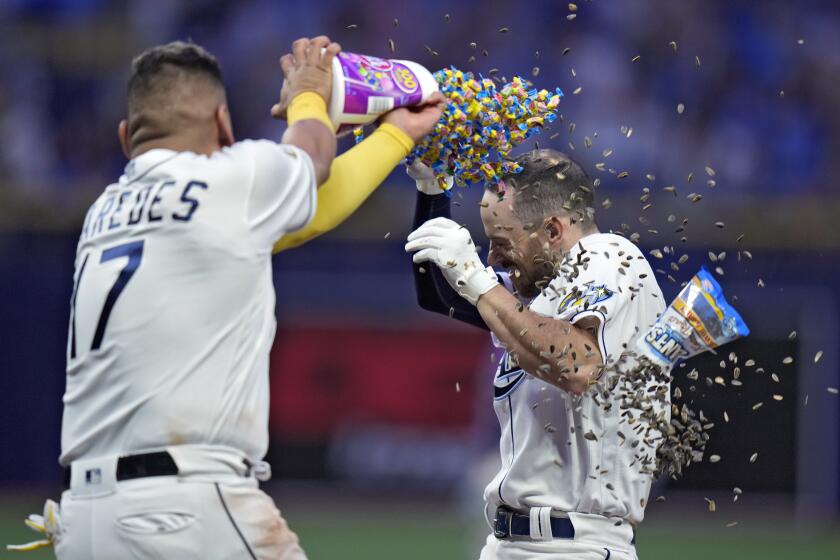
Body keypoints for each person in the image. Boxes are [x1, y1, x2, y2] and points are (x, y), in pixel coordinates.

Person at [39, 37, 444, 560]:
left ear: (126, 137)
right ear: (223, 124)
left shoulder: (103, 213)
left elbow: (301, 212)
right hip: (186, 507)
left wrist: (396, 136)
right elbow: (312, 159)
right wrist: (308, 95)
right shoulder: (231, 177)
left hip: (86, 518)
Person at [405, 150, 667, 560]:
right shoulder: (548, 292)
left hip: (575, 546)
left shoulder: (609, 257)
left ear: (552, 229)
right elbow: (439, 294)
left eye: (501, 242)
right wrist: (433, 192)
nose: (491, 258)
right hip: (514, 542)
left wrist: (477, 279)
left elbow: (577, 365)